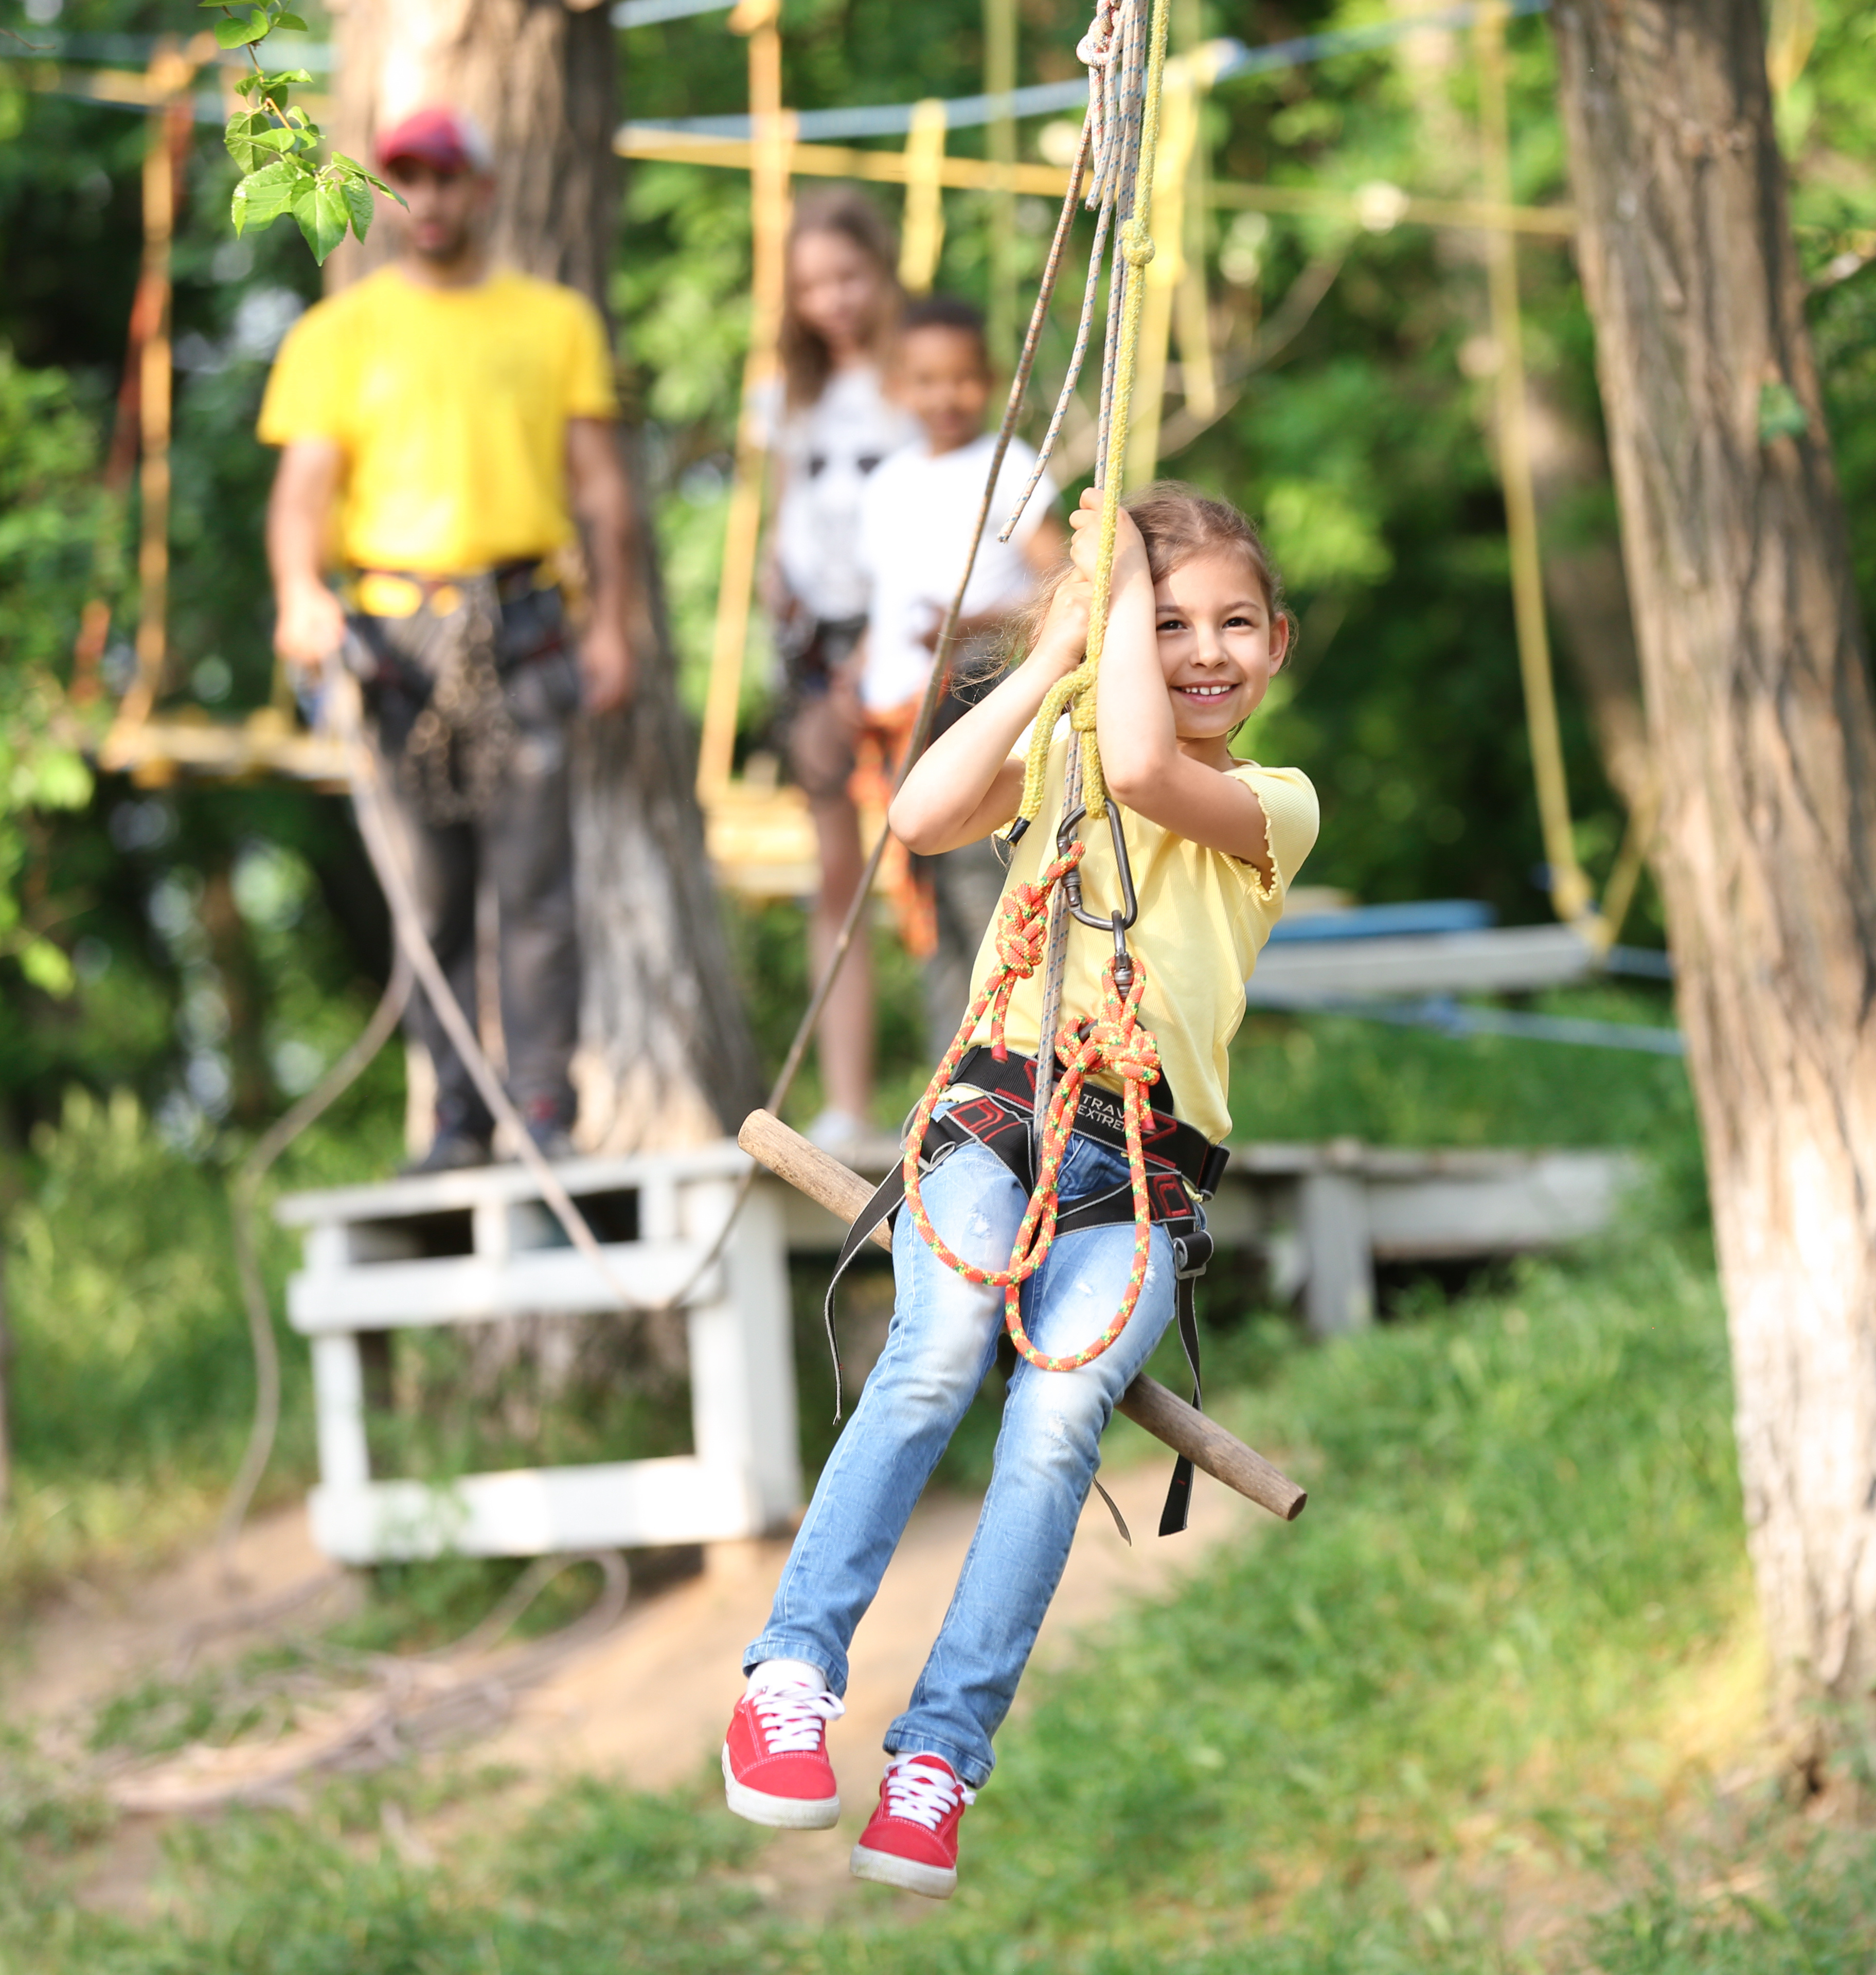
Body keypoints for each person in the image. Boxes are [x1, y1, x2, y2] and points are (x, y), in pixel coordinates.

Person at [714, 483, 1315, 1900]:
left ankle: (937, 1761)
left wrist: (1110, 623)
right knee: (933, 1356)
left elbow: (1155, 770)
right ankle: (792, 1673)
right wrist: (1055, 649)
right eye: (1166, 624)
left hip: (1144, 1169)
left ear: (1278, 644)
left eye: (1234, 624)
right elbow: (918, 816)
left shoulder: (1268, 802)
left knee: (1054, 1428)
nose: (1203, 650)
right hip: (998, 1109)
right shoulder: (1063, 743)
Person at [260, 104, 637, 1172]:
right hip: (391, 636)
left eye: (446, 178)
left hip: (520, 626)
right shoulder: (338, 334)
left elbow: (603, 493)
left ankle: (545, 1112)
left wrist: (612, 623)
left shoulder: (552, 320)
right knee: (428, 899)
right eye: (407, 179)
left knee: (534, 889)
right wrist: (300, 590)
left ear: (483, 189)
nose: (427, 200)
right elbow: (303, 494)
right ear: (390, 193)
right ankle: (457, 1125)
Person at [850, 294, 1064, 1083]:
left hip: (982, 694)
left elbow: (1062, 584)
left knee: (985, 883)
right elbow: (888, 604)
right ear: (900, 387)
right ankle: (954, 1072)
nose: (946, 397)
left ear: (992, 383)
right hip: (904, 712)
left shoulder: (1012, 468)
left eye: (963, 380)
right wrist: (859, 681)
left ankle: (1007, 1068)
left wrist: (978, 620)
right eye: (926, 380)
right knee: (925, 892)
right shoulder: (890, 482)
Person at [760, 191, 917, 1150]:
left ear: (883, 271)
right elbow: (786, 505)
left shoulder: (917, 378)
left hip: (898, 637)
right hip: (813, 640)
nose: (834, 300)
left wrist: (879, 647)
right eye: (812, 285)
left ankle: (969, 1085)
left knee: (934, 861)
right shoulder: (789, 391)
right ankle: (847, 1098)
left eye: (849, 277)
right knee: (835, 873)